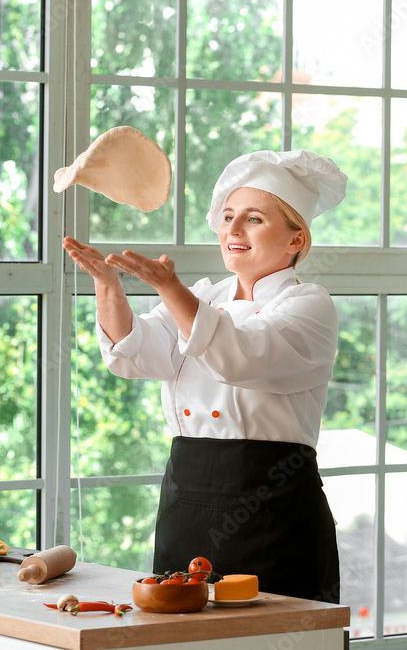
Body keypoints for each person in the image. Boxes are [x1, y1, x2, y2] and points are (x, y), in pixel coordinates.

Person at [62, 149, 346, 603]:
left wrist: (169, 288)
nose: (232, 229)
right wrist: (108, 287)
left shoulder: (309, 304)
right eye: (228, 216)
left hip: (273, 506)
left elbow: (242, 357)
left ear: (296, 239)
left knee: (271, 637)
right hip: (185, 500)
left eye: (253, 219)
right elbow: (136, 354)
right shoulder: (202, 296)